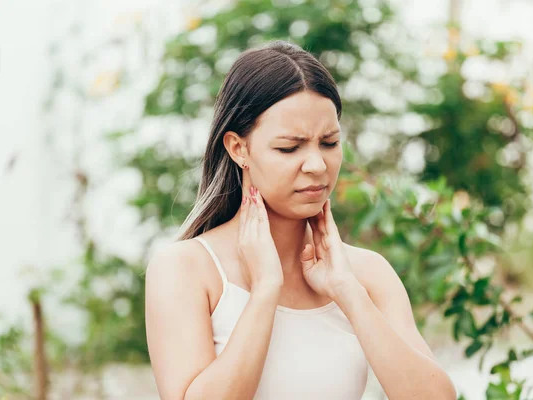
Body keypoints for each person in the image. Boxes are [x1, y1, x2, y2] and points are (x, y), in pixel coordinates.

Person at [144, 40, 457, 400]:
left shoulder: (366, 274)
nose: (317, 165)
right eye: (289, 148)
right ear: (238, 148)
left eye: (329, 143)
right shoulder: (186, 268)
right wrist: (264, 291)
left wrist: (348, 293)